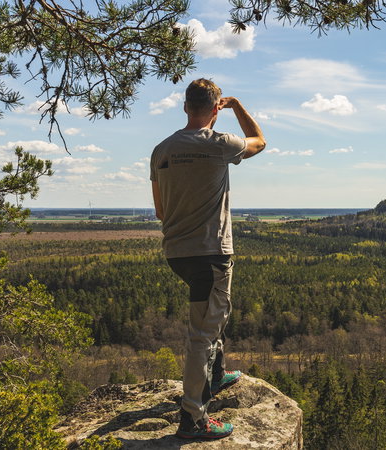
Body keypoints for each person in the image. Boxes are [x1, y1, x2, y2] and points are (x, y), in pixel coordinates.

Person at [150, 78, 266, 439]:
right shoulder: (221, 144)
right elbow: (260, 142)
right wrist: (238, 107)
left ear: (185, 107)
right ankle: (194, 419)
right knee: (202, 333)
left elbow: (159, 211)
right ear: (216, 108)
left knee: (214, 317)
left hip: (178, 253)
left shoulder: (162, 150)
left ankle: (214, 375)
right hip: (211, 252)